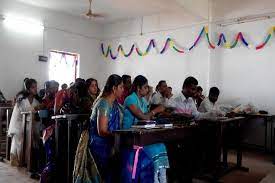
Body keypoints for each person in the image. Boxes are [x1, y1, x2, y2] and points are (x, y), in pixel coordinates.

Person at [122, 75, 169, 183]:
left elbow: (147, 117)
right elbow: (142, 117)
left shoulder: (142, 100)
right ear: (138, 88)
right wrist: (155, 111)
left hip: (141, 135)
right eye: (146, 87)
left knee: (161, 146)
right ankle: (155, 179)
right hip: (130, 135)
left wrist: (153, 115)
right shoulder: (130, 99)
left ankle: (161, 178)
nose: (148, 89)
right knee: (156, 148)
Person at [88, 74, 124, 182]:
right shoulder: (104, 103)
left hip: (111, 144)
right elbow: (102, 131)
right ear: (114, 88)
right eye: (121, 87)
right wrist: (119, 135)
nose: (123, 90)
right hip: (100, 147)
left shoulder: (115, 104)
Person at [8, 79, 41, 167]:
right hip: (19, 123)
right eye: (33, 87)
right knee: (22, 133)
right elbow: (21, 113)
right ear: (28, 88)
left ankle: (28, 160)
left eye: (36, 87)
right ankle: (19, 159)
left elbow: (35, 115)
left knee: (33, 132)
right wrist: (35, 110)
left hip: (30, 123)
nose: (35, 89)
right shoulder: (21, 99)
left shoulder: (36, 101)